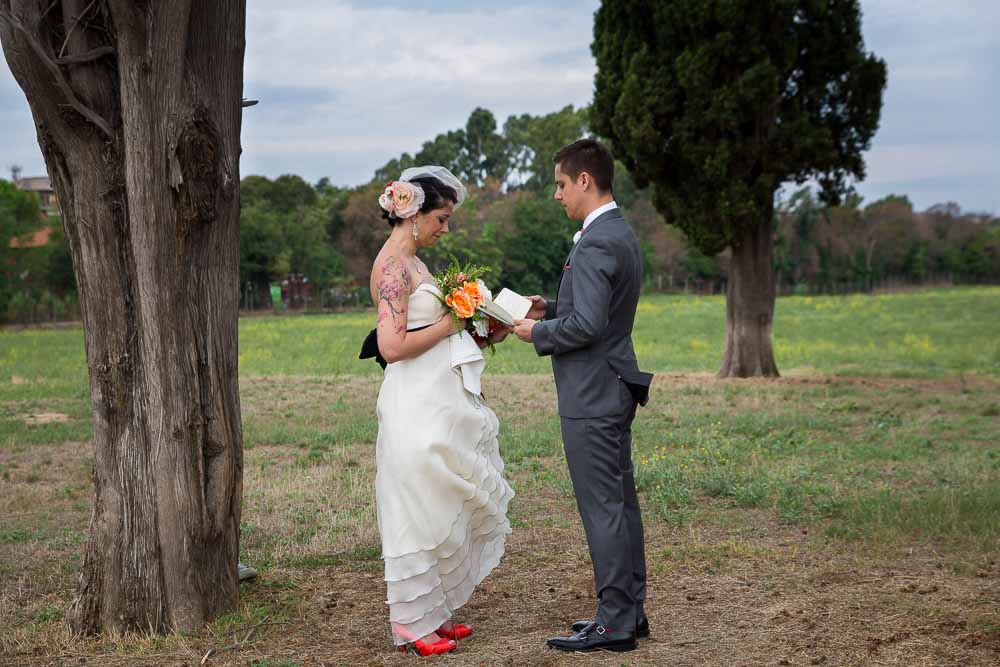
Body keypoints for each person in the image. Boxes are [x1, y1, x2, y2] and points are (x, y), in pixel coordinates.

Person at [364, 166, 515, 657]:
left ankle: (434, 612)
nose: (445, 228)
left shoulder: (418, 267)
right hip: (412, 403)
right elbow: (391, 345)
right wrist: (452, 325)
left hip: (437, 400)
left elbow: (437, 326)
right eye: (442, 218)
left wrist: (482, 326)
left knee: (439, 500)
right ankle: (410, 622)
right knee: (416, 508)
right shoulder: (392, 269)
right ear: (412, 215)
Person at [513, 139, 653, 653]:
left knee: (603, 509)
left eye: (561, 184)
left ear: (585, 181)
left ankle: (615, 618)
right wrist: (547, 306)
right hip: (614, 384)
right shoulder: (619, 230)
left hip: (593, 393)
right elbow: (599, 308)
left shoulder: (596, 241)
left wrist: (537, 333)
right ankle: (630, 611)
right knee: (620, 503)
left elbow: (591, 323)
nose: (557, 195)